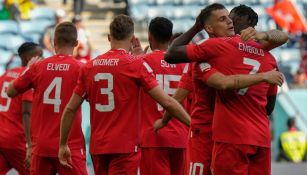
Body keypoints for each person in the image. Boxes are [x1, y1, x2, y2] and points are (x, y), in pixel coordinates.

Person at [154, 4, 285, 175]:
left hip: (221, 133)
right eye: (224, 19)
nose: (229, 23)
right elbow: (283, 36)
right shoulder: (265, 54)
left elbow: (185, 88)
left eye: (230, 19)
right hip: (240, 134)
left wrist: (164, 121)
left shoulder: (214, 48)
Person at [57, 15, 190, 175]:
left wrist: (63, 143)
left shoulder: (89, 67)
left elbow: (70, 108)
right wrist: (192, 124)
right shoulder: (135, 65)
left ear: (108, 37)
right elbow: (167, 102)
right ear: (133, 37)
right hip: (126, 146)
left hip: (98, 145)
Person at [7, 22, 87, 175]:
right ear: (76, 43)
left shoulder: (38, 67)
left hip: (41, 145)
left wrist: (27, 70)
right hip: (70, 145)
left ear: (53, 42)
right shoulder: (81, 68)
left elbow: (11, 91)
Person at [138, 17, 189, 175]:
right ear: (170, 37)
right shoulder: (186, 63)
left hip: (153, 137)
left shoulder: (140, 62)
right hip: (182, 136)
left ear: (150, 37)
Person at [0, 42, 42, 175]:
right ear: (28, 58)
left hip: (1, 135)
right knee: (34, 172)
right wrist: (30, 145)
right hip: (17, 139)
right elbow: (26, 112)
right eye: (39, 56)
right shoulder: (27, 78)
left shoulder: (6, 73)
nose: (43, 59)